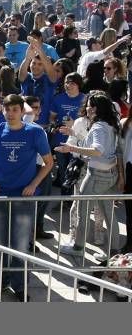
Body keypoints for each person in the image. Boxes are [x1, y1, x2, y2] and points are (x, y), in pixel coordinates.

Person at [0, 94, 54, 301]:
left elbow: (48, 163)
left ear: (22, 111)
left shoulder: (35, 132)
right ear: (2, 110)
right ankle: (1, 279)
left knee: (20, 243)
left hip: (23, 197)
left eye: (14, 110)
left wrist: (33, 184)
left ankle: (20, 286)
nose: (10, 114)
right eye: (7, 109)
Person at [56, 91, 122, 257]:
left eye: (91, 106)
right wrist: (75, 135)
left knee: (82, 211)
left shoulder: (99, 126)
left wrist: (71, 148)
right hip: (110, 174)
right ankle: (114, 252)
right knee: (109, 215)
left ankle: (78, 247)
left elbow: (97, 150)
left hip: (96, 175)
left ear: (98, 109)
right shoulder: (112, 124)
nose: (88, 108)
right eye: (88, 105)